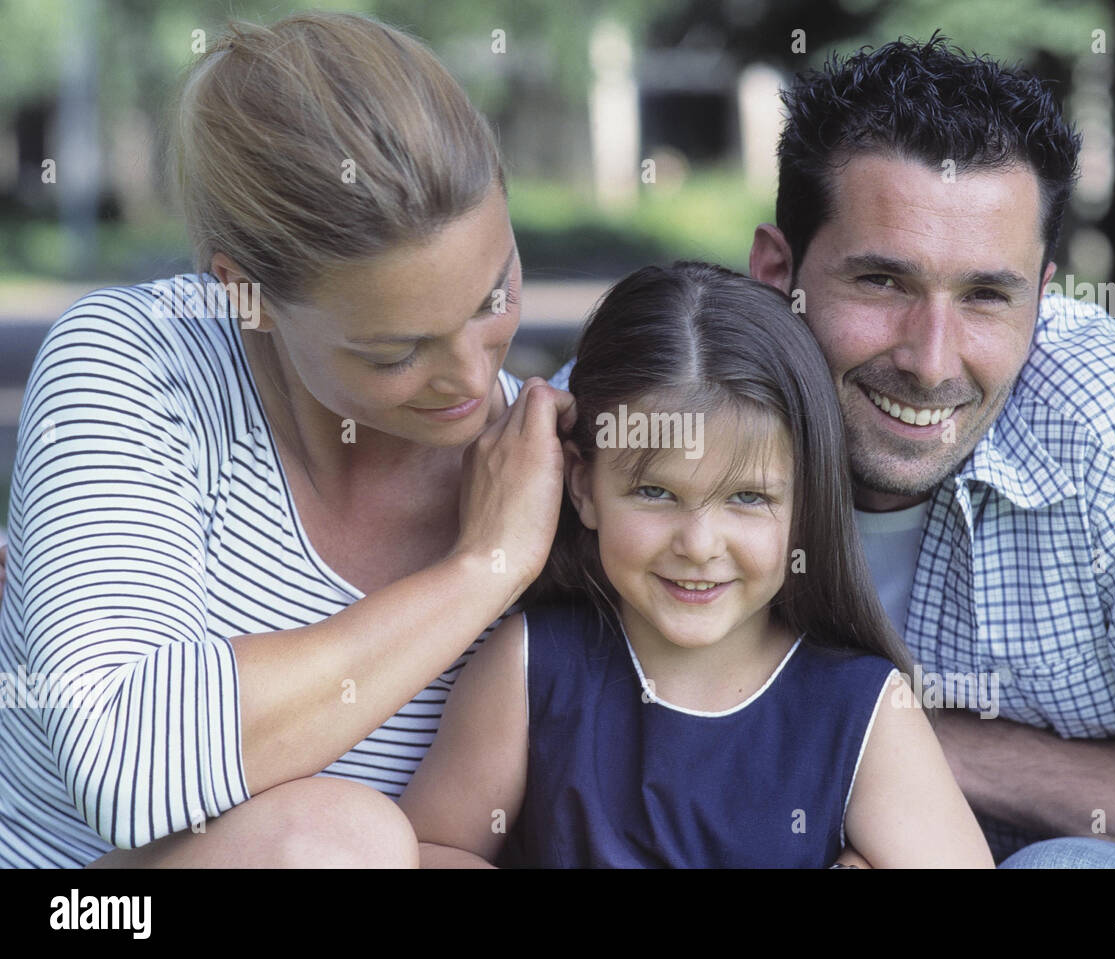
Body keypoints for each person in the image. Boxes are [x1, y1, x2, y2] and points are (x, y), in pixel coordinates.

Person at [0, 12, 573, 867]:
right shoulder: (136, 360)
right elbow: (126, 761)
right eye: (396, 350)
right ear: (244, 294)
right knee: (336, 844)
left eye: (494, 297)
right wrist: (483, 569)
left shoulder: (553, 451)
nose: (467, 376)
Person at [748, 36, 1115, 868]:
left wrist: (903, 740)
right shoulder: (663, 407)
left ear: (1042, 299)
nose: (931, 362)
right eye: (882, 282)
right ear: (774, 273)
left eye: (985, 296)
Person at [398, 261, 995, 868]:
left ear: (809, 501)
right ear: (583, 487)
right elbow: (432, 849)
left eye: (748, 498)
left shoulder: (864, 709)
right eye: (656, 493)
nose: (700, 544)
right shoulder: (530, 666)